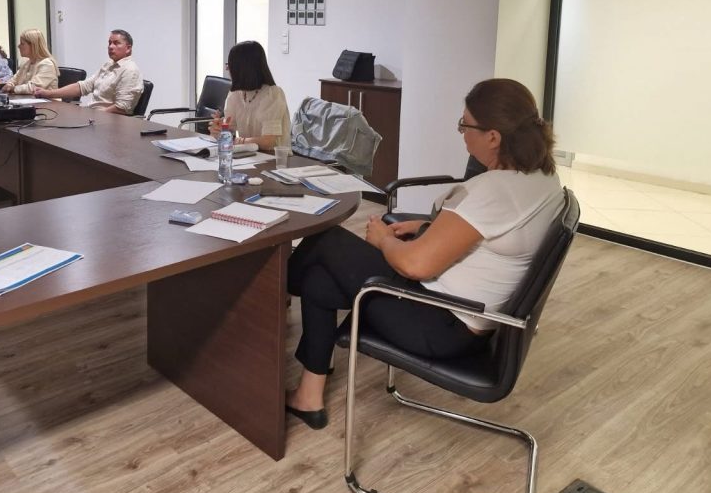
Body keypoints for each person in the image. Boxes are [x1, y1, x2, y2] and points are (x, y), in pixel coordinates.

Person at [284, 78, 564, 430]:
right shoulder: (541, 178)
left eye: (465, 125)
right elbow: (492, 235)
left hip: (440, 324)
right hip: (459, 316)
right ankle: (308, 397)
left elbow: (414, 265)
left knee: (328, 241)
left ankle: (271, 291)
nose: (462, 133)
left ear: (493, 137)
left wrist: (383, 240)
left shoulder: (496, 190)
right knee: (320, 279)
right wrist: (430, 228)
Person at [33, 29, 143, 114]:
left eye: (116, 43)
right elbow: (83, 87)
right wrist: (48, 93)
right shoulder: (108, 65)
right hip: (95, 116)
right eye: (109, 43)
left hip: (110, 122)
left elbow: (122, 108)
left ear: (128, 48)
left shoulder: (130, 70)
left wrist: (93, 116)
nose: (110, 47)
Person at [208, 40, 290, 151]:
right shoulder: (235, 94)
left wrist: (237, 141)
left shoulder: (272, 94)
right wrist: (219, 130)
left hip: (273, 157)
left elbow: (268, 142)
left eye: (230, 66)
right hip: (248, 155)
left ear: (243, 70)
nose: (228, 70)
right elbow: (229, 130)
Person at [0, 29, 59, 95]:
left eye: (22, 43)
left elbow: (32, 88)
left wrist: (12, 89)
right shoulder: (26, 63)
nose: (18, 46)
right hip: (29, 100)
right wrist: (9, 85)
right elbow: (14, 80)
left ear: (33, 46)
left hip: (47, 101)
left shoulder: (47, 64)